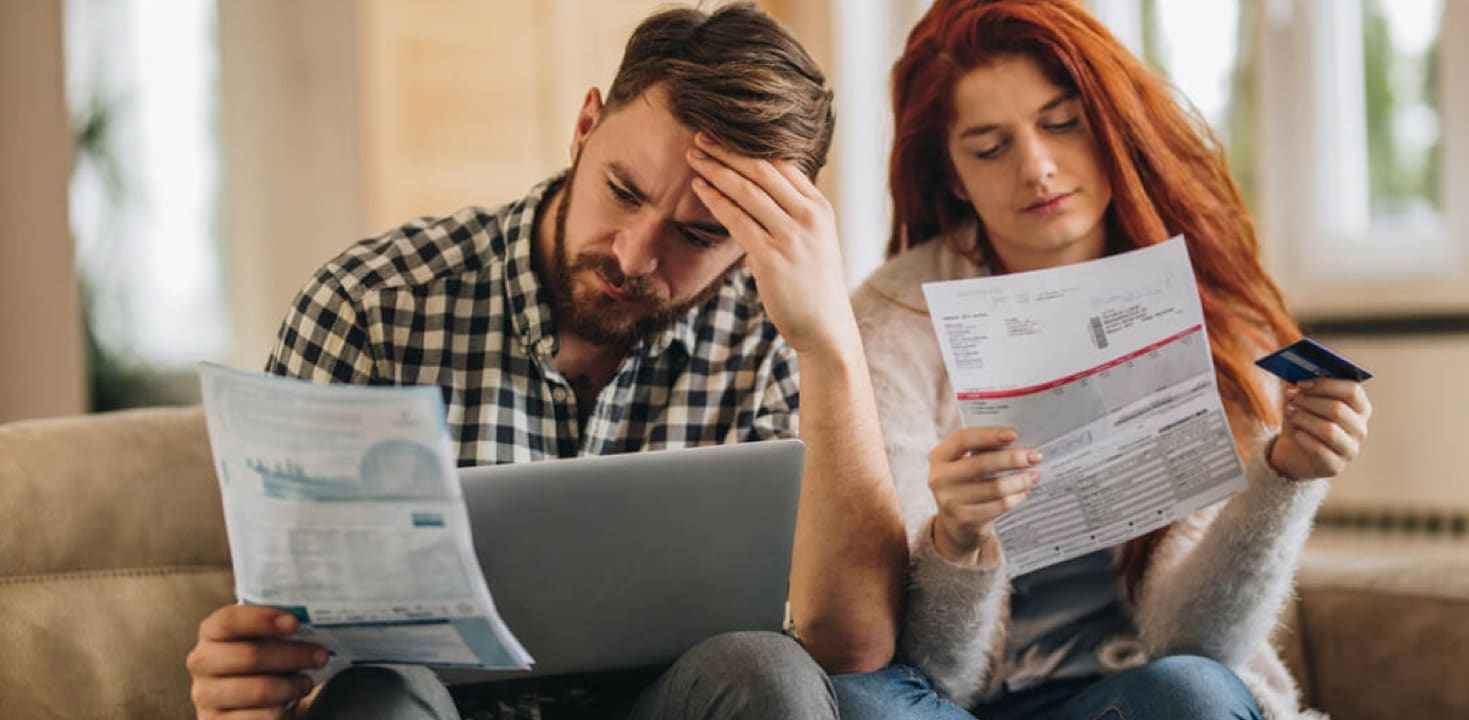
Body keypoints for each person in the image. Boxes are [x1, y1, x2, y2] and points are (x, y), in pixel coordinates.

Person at [184, 4, 908, 718]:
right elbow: (285, 640)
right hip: (427, 709)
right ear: (585, 126)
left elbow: (850, 646)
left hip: (667, 705)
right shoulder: (372, 308)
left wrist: (829, 346)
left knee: (766, 672)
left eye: (698, 234)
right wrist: (255, 694)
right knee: (377, 699)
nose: (634, 255)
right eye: (622, 191)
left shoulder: (772, 334)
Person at [833, 1, 1372, 719]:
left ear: (1108, 122)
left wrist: (1283, 482)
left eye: (1062, 123)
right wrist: (957, 541)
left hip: (1136, 696)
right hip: (960, 704)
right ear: (954, 177)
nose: (1038, 167)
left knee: (1191, 693)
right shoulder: (893, 319)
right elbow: (928, 670)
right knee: (858, 702)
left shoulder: (1205, 309)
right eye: (990, 148)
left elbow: (1196, 645)